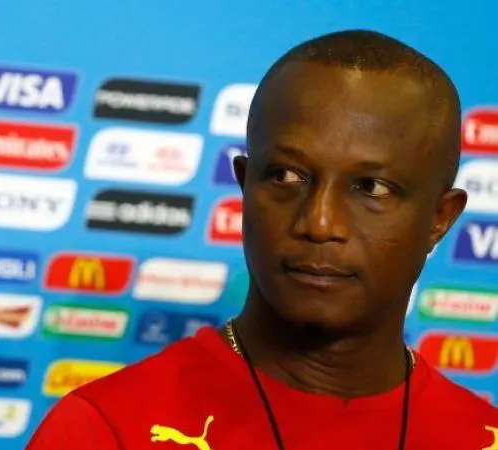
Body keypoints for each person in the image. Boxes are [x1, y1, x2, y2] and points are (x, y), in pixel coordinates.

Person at [25, 29, 498, 449]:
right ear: (245, 185)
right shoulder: (105, 430)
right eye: (286, 176)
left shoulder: (482, 437)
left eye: (371, 187)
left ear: (440, 218)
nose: (319, 223)